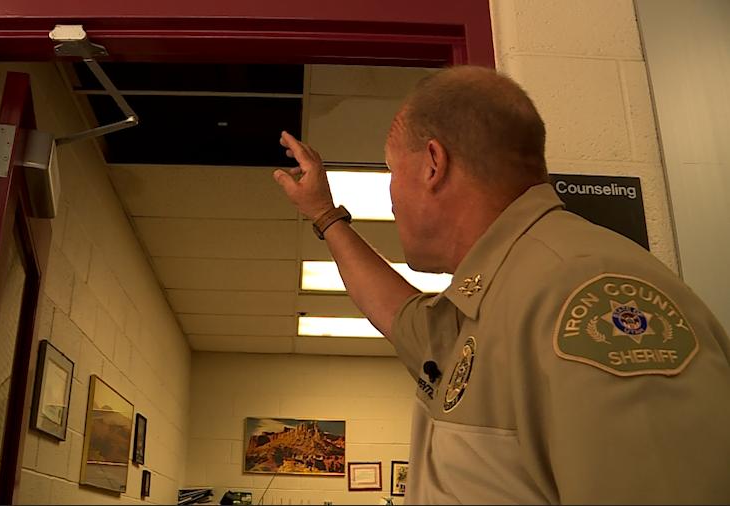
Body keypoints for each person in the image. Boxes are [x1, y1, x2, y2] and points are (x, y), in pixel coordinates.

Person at [272, 65, 730, 504]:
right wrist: (324, 214)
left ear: (433, 163)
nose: (392, 197)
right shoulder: (488, 300)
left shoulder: (586, 294)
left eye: (393, 171)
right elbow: (401, 316)